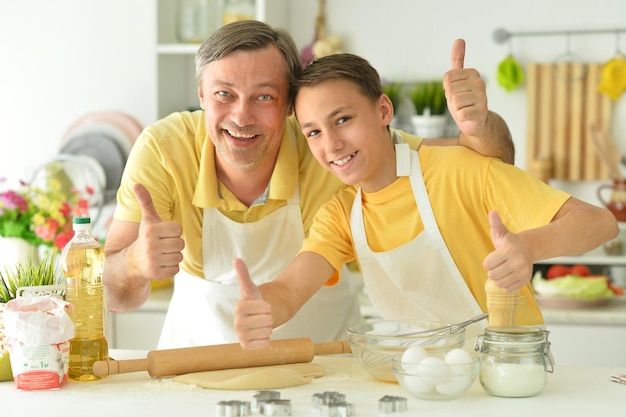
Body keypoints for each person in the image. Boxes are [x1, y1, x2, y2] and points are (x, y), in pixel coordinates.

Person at [102, 20, 515, 349]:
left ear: (288, 106)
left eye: (263, 97)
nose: (241, 117)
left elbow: (489, 163)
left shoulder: (334, 149)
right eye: (224, 94)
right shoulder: (163, 149)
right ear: (202, 96)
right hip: (194, 374)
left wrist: (479, 124)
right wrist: (136, 263)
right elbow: (114, 296)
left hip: (325, 376)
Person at [233, 52, 619, 349]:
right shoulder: (341, 215)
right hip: (418, 380)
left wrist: (528, 247)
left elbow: (600, 222)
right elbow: (290, 289)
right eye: (314, 132)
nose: (331, 145)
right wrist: (263, 307)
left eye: (343, 120)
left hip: (509, 371)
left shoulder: (460, 170)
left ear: (384, 110)